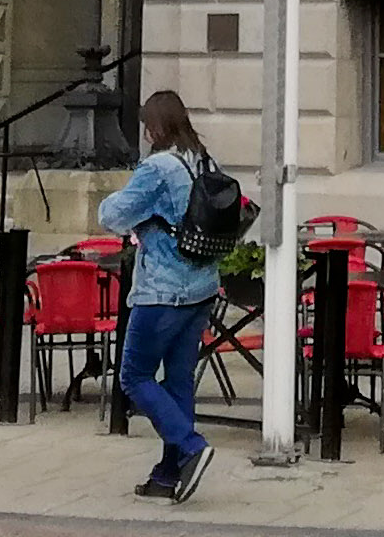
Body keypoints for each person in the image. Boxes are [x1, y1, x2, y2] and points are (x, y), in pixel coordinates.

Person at [97, 88, 221, 501]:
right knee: (178, 380)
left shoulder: (159, 167)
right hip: (203, 286)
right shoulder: (203, 159)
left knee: (134, 376)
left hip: (163, 290)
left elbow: (112, 216)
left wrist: (126, 201)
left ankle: (190, 446)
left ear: (154, 127)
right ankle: (168, 475)